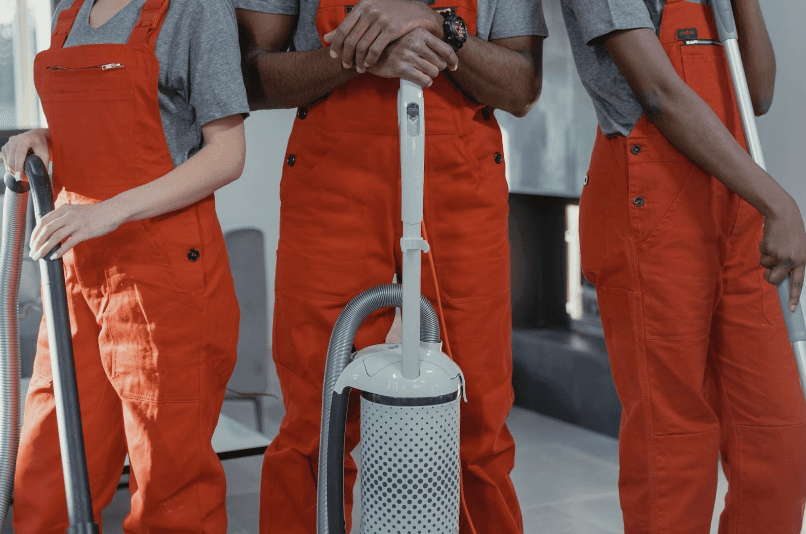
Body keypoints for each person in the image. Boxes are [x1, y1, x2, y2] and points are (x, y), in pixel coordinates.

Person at [235, 0, 546, 530]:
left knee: (478, 420)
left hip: (461, 187)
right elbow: (251, 77)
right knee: (318, 416)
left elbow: (522, 87)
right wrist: (364, 54)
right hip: (334, 186)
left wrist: (438, 25)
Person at [0, 0, 248, 531]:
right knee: (51, 465)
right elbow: (89, 131)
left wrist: (109, 212)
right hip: (76, 270)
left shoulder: (196, 11)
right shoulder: (71, 11)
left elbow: (227, 154)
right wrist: (43, 141)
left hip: (164, 276)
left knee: (170, 485)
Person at [560, 0, 806, 531]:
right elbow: (658, 93)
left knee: (777, 437)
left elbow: (757, 94)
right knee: (672, 450)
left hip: (736, 206)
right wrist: (779, 203)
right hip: (650, 201)